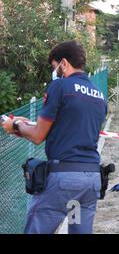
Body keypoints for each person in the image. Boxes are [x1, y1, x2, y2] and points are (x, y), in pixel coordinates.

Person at [1, 41, 107, 234]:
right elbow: (70, 125)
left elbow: (38, 136)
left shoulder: (60, 86)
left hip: (64, 182)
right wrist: (26, 123)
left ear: (64, 63)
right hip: (90, 182)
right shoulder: (99, 95)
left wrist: (15, 125)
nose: (55, 72)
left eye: (54, 67)